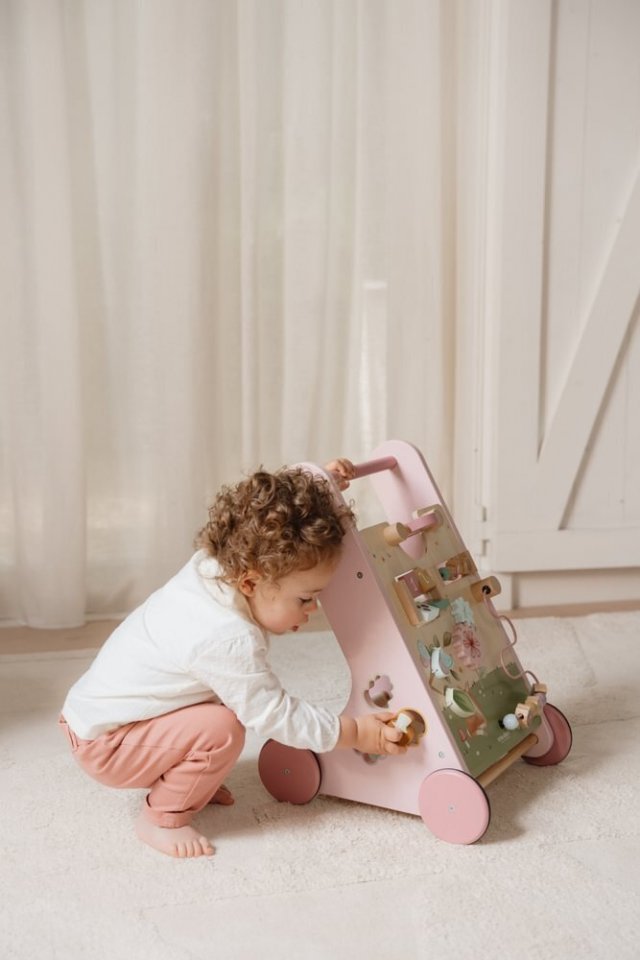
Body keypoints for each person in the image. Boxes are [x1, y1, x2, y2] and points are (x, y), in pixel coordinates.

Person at [59, 459, 407, 859]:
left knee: (223, 705)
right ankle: (161, 818)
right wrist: (354, 732)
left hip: (100, 719)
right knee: (222, 730)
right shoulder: (226, 638)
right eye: (305, 598)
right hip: (107, 744)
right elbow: (273, 714)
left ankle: (189, 778)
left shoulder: (214, 565)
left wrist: (323, 491)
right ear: (250, 582)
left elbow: (270, 515)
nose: (313, 610)